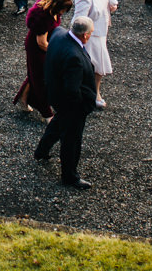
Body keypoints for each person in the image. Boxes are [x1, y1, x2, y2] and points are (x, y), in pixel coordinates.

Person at [33, 15, 98, 189]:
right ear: (84, 35)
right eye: (91, 33)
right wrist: (80, 108)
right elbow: (72, 90)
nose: (91, 35)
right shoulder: (74, 57)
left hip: (56, 95)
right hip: (71, 105)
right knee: (71, 140)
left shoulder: (59, 34)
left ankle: (42, 150)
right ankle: (70, 176)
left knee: (57, 124)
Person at [15, 0, 73, 119]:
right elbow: (41, 43)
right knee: (40, 79)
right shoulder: (44, 18)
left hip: (44, 46)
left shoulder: (51, 9)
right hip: (36, 49)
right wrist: (56, 51)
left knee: (34, 74)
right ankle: (46, 113)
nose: (63, 13)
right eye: (63, 10)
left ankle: (23, 99)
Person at [73, 0, 119, 108]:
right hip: (91, 37)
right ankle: (91, 94)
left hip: (101, 32)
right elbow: (78, 20)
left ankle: (94, 91)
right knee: (95, 66)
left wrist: (110, 7)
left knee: (97, 67)